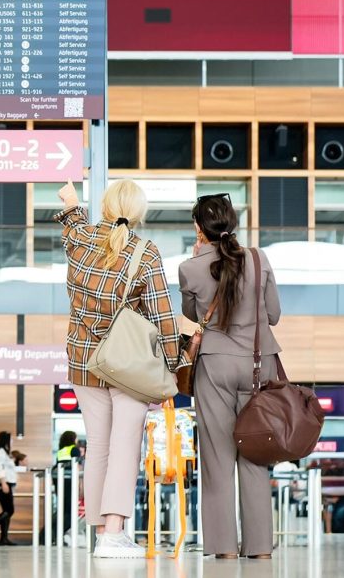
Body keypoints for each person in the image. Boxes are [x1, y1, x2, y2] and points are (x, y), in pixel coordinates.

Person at [54, 179, 182, 559]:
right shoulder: (145, 253)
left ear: (107, 206)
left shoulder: (81, 241)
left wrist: (72, 202)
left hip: (82, 361)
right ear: (139, 212)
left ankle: (100, 532)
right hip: (128, 365)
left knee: (98, 448)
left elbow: (72, 225)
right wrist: (173, 366)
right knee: (125, 446)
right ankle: (114, 533)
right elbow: (163, 317)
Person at [179, 193, 282, 560]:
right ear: (232, 222)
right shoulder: (259, 258)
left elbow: (194, 315)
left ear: (198, 227)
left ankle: (223, 548)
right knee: (255, 453)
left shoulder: (190, 267)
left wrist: (197, 262)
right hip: (259, 364)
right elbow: (273, 315)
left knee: (217, 459)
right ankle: (260, 548)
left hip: (216, 364)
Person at [56, 431, 82, 546]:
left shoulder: (61, 451)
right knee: (70, 513)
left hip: (61, 483)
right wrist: (80, 485)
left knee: (63, 511)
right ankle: (57, 534)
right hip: (71, 483)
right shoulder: (74, 449)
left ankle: (54, 535)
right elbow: (76, 468)